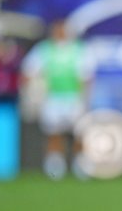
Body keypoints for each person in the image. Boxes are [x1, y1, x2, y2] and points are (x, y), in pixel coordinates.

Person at [21, 19, 94, 180]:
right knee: (53, 133)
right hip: (52, 98)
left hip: (74, 97)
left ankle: (80, 166)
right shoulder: (44, 50)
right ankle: (55, 168)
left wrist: (85, 98)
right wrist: (31, 92)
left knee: (79, 132)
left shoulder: (79, 50)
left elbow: (86, 77)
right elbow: (28, 71)